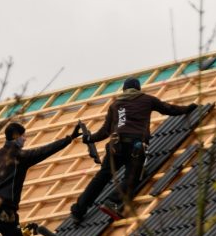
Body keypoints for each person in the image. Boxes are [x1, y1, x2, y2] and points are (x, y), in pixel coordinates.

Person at [70, 77, 196, 222]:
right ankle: (112, 202)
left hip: (115, 146)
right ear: (138, 89)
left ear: (124, 90)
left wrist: (89, 138)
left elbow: (105, 131)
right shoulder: (147, 100)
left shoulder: (115, 105)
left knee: (102, 176)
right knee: (132, 177)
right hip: (134, 146)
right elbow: (169, 109)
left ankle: (78, 210)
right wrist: (188, 108)